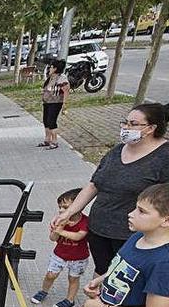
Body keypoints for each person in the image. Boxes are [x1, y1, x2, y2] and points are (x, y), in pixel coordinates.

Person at [51, 103, 169, 276]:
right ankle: (94, 301)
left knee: (122, 278)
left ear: (151, 128)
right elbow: (94, 185)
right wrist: (68, 213)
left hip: (132, 235)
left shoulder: (164, 157)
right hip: (99, 228)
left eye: (133, 124)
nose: (126, 128)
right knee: (101, 271)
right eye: (125, 122)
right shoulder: (117, 151)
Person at [31, 188, 90, 307]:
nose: (61, 210)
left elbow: (79, 236)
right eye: (60, 207)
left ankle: (70, 300)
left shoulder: (85, 221)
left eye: (65, 207)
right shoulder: (59, 220)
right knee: (50, 275)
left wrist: (61, 231)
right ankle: (43, 291)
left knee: (73, 278)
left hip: (79, 257)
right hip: (59, 254)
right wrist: (58, 228)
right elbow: (52, 238)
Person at [38, 59, 69, 150]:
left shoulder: (61, 78)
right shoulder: (51, 77)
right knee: (46, 121)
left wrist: (65, 104)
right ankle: (47, 140)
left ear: (55, 68)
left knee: (52, 121)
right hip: (47, 102)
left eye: (51, 67)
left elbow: (66, 91)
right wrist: (44, 91)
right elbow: (49, 88)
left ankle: (54, 141)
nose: (49, 68)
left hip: (56, 102)